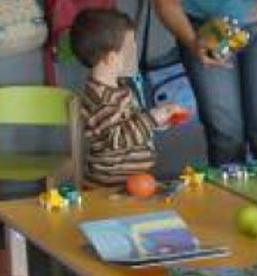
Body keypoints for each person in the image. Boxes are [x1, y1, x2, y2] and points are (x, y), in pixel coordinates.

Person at [152, 0, 257, 165]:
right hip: (203, 30)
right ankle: (229, 188)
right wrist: (193, 43)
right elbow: (165, 4)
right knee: (225, 135)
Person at [71, 8, 186, 187]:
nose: (134, 53)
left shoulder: (120, 87)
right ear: (111, 59)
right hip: (110, 185)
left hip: (131, 182)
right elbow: (118, 139)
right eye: (131, 48)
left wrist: (158, 122)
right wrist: (152, 118)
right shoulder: (101, 100)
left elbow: (131, 125)